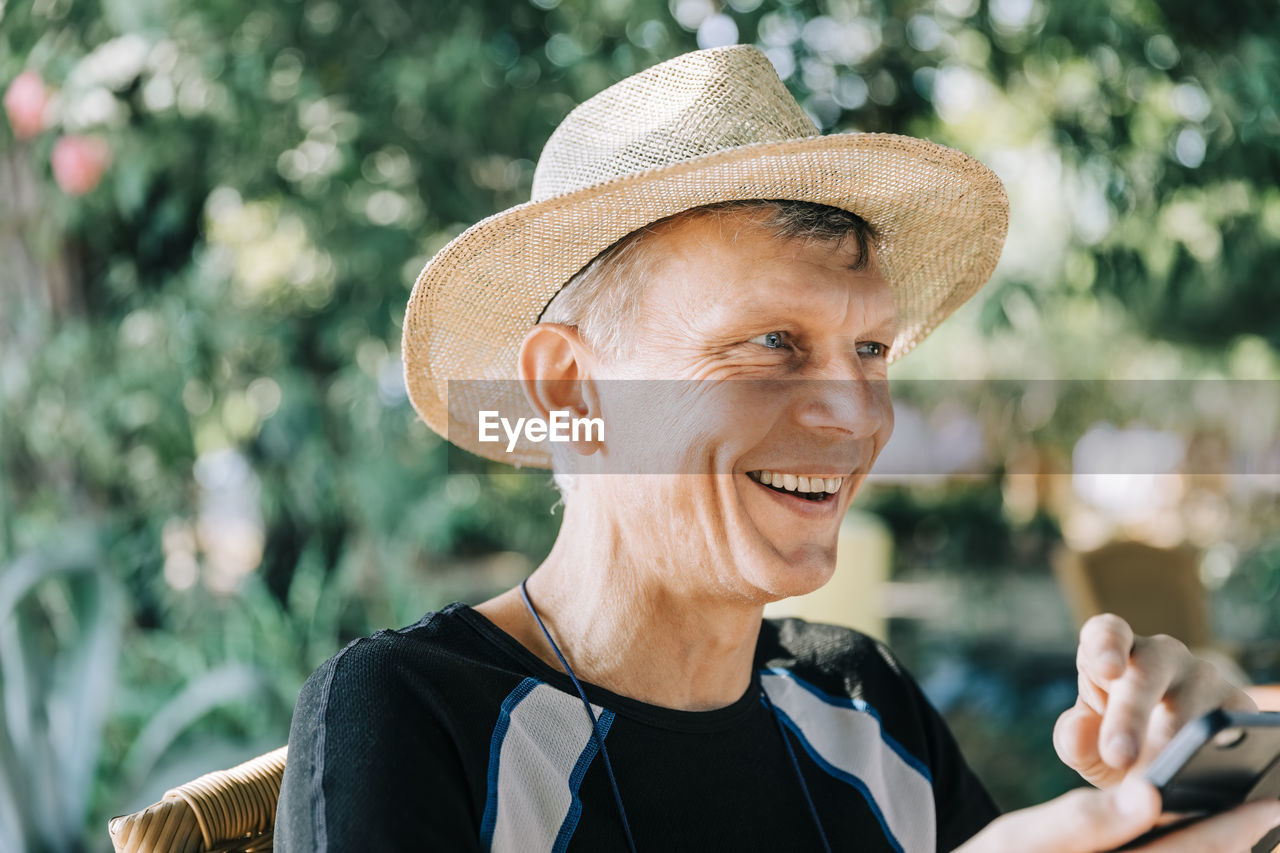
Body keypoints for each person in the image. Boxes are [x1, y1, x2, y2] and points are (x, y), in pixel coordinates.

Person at [275, 46, 1280, 852]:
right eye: (770, 343)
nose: (855, 415)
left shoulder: (858, 699)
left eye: (871, 349)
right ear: (568, 387)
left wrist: (1184, 794)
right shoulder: (412, 716)